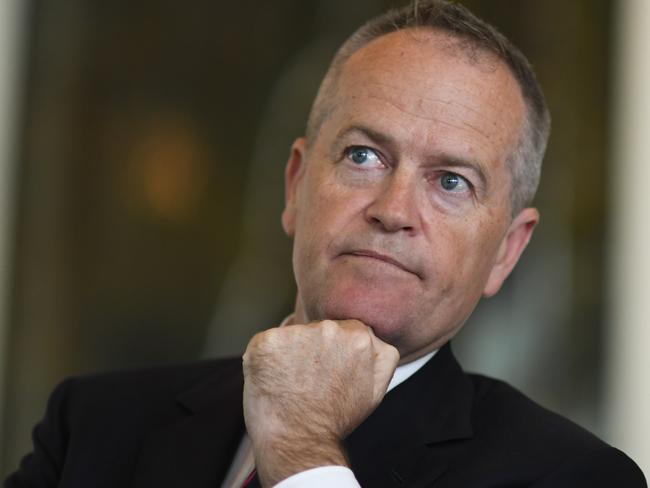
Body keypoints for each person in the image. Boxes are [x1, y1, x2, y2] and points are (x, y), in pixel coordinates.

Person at [6, 1, 647, 487]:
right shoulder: (92, 426)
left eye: (452, 181)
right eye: (364, 155)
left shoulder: (574, 478)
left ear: (506, 250)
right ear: (295, 186)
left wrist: (302, 447)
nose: (393, 210)